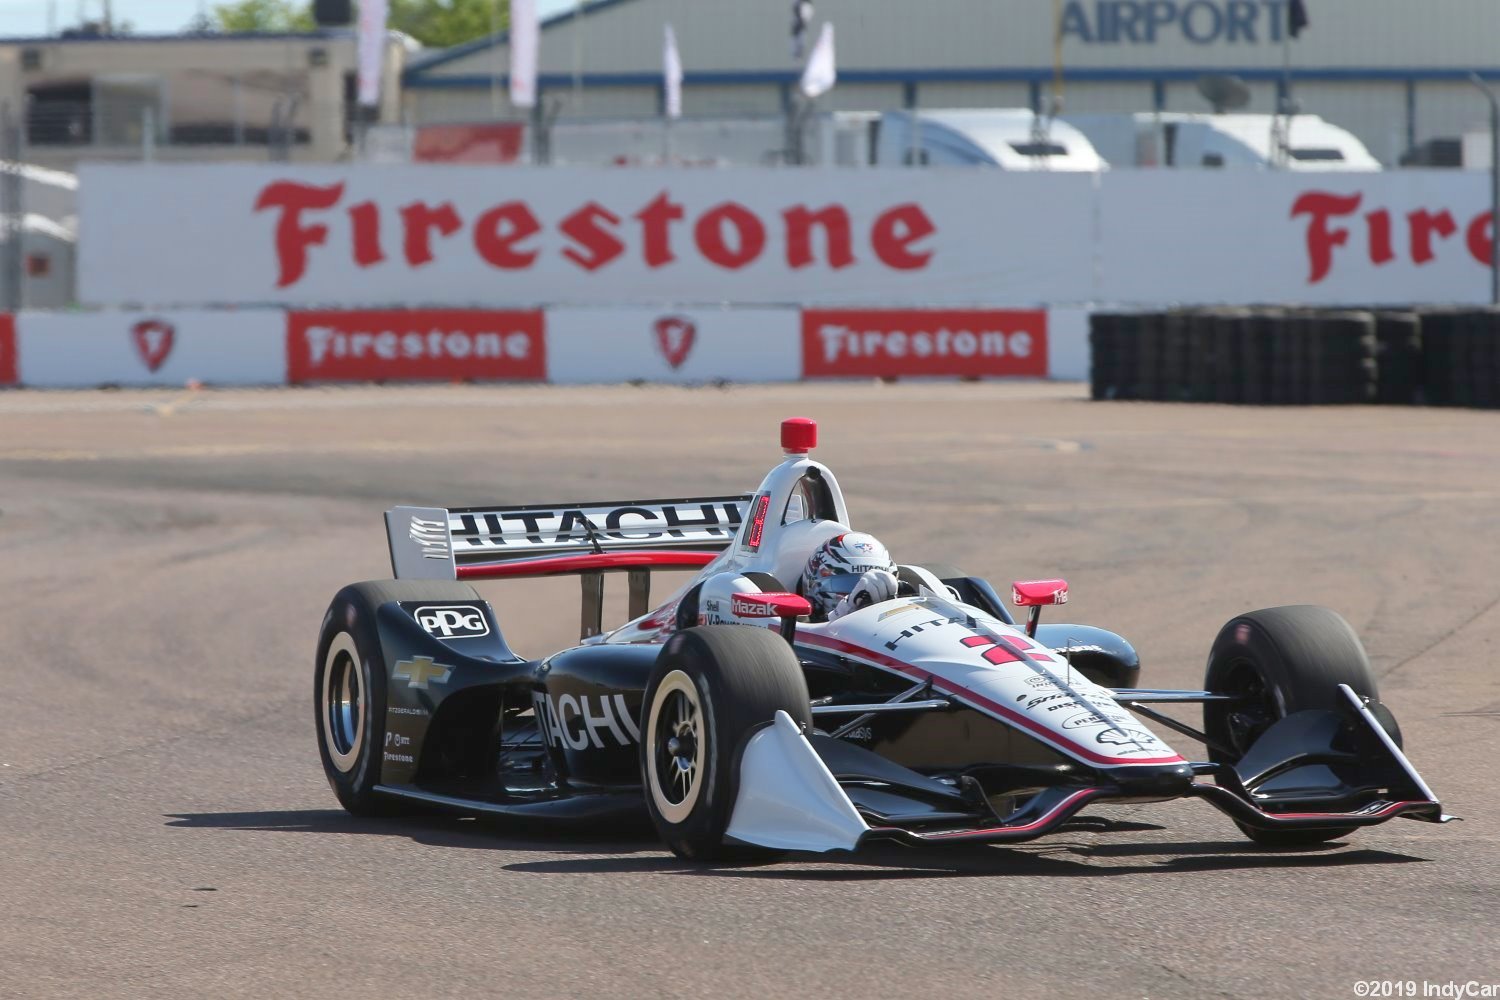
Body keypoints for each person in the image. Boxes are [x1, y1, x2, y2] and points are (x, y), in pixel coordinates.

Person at [800, 532, 900, 621]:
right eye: (847, 584)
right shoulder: (792, 629)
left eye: (880, 585)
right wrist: (842, 611)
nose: (864, 595)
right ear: (813, 584)